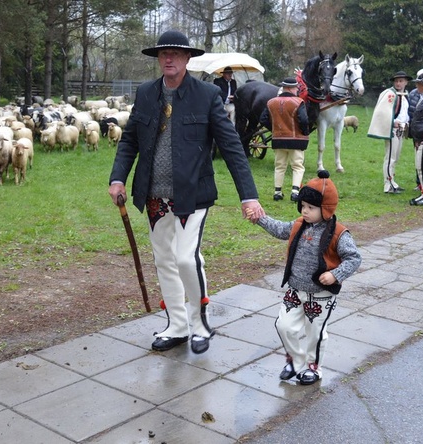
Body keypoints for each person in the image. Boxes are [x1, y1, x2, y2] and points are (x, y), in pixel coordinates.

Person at [108, 30, 265, 355]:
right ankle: (177, 325)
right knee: (164, 260)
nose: (169, 59)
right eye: (164, 54)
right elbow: (130, 140)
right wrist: (118, 177)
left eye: (176, 54)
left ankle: (200, 324)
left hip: (193, 196)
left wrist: (248, 195)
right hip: (154, 196)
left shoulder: (206, 95)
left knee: (185, 258)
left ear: (187, 59)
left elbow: (232, 147)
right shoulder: (147, 93)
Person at [247, 170, 361, 385]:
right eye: (303, 206)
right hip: (295, 289)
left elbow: (354, 258)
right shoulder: (299, 224)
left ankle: (313, 367)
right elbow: (280, 229)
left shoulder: (338, 233)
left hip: (320, 295)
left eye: (311, 207)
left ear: (325, 209)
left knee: (315, 333)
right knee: (284, 326)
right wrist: (260, 218)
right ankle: (295, 361)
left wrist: (335, 275)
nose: (305, 211)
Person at [259, 77, 310, 202]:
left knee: (279, 166)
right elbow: (303, 120)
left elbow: (263, 119)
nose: (297, 89)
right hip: (296, 140)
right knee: (297, 166)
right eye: (295, 87)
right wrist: (305, 132)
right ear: (290, 88)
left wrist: (275, 129)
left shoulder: (271, 102)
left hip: (278, 139)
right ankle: (295, 192)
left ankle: (277, 192)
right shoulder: (298, 102)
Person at [367, 71, 412, 194]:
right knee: (390, 157)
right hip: (393, 130)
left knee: (395, 157)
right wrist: (393, 122)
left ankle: (393, 181)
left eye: (401, 81)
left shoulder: (404, 95)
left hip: (402, 130)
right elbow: (382, 112)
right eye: (396, 81)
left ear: (406, 82)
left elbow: (405, 112)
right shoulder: (390, 94)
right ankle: (388, 184)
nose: (398, 83)